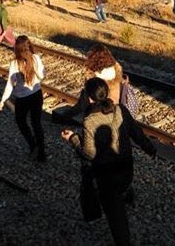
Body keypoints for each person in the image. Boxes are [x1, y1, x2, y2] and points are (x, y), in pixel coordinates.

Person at [62, 77, 156, 246]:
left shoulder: (90, 121)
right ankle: (126, 195)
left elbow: (89, 154)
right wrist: (150, 149)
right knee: (118, 195)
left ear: (90, 98)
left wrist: (73, 139)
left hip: (107, 176)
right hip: (127, 168)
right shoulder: (121, 110)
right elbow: (137, 134)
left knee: (116, 218)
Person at [0, 35, 46, 162]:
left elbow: (10, 85)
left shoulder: (14, 64)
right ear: (30, 46)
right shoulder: (36, 58)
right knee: (36, 123)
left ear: (16, 49)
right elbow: (42, 76)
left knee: (21, 122)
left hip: (22, 99)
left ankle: (33, 146)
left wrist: (2, 101)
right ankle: (42, 153)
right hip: (36, 95)